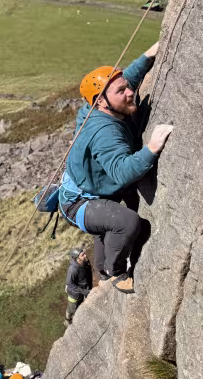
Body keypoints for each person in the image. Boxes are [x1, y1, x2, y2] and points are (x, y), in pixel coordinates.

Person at [59, 42, 174, 294]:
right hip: (79, 202)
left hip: (87, 191)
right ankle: (115, 271)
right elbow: (121, 171)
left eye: (126, 88)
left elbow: (123, 82)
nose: (130, 92)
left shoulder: (100, 105)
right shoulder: (105, 132)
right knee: (125, 222)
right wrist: (151, 148)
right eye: (122, 91)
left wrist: (147, 56)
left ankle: (101, 271)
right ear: (102, 101)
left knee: (106, 229)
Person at [65, 247, 92, 326]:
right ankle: (67, 320)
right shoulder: (73, 269)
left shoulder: (85, 262)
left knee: (79, 306)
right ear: (77, 258)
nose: (85, 255)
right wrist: (83, 291)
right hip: (74, 294)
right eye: (82, 255)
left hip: (83, 289)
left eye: (84, 253)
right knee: (71, 308)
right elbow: (69, 283)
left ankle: (78, 316)